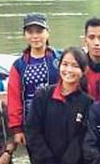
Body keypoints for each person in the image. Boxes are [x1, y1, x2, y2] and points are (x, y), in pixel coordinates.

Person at [6, 13, 60, 146]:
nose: (35, 36)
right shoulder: (19, 65)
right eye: (30, 32)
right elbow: (14, 97)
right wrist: (17, 128)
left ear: (47, 33)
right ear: (24, 35)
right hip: (31, 124)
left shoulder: (59, 60)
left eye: (39, 31)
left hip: (59, 122)